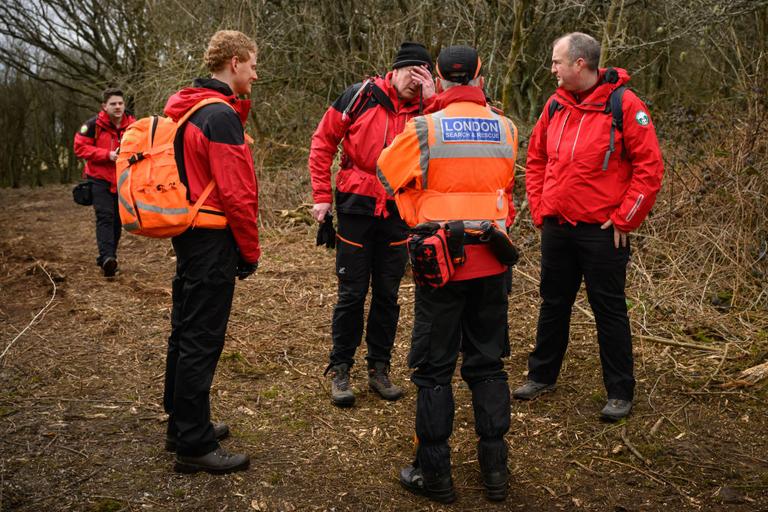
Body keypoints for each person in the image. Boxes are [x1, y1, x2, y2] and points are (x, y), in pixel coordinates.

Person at [377, 45, 518, 503]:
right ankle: (495, 472)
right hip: (494, 259)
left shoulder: (422, 129)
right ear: (480, 74)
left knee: (434, 370)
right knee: (489, 365)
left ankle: (435, 476)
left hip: (440, 263)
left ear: (437, 78)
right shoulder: (507, 127)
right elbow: (504, 189)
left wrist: (417, 210)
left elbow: (386, 176)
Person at [514, 32, 664, 421]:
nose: (551, 69)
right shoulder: (554, 106)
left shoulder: (625, 105)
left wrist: (626, 218)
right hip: (558, 227)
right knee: (553, 303)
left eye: (556, 62)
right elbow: (536, 160)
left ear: (579, 64)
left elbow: (649, 169)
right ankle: (541, 375)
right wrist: (540, 209)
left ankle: (619, 391)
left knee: (609, 309)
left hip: (602, 231)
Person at [309, 42, 436, 407]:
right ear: (393, 71)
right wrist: (320, 196)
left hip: (401, 207)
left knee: (388, 292)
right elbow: (322, 143)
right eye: (410, 74)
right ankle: (341, 369)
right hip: (356, 204)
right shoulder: (359, 96)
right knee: (351, 292)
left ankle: (379, 368)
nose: (415, 83)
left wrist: (432, 99)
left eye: (422, 76)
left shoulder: (429, 108)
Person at [161, 30, 260, 474]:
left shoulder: (189, 107)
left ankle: (182, 425)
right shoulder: (219, 116)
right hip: (213, 237)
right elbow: (238, 193)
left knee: (184, 331)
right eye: (253, 65)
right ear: (235, 62)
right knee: (202, 337)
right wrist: (250, 249)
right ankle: (194, 445)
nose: (256, 74)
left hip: (189, 231)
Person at [73, 88, 135, 277]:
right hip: (98, 179)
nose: (117, 107)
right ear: (104, 106)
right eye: (113, 104)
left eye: (120, 103)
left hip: (123, 180)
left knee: (117, 221)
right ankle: (108, 257)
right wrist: (107, 155)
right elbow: (80, 148)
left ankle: (108, 258)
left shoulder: (134, 125)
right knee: (105, 216)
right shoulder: (93, 125)